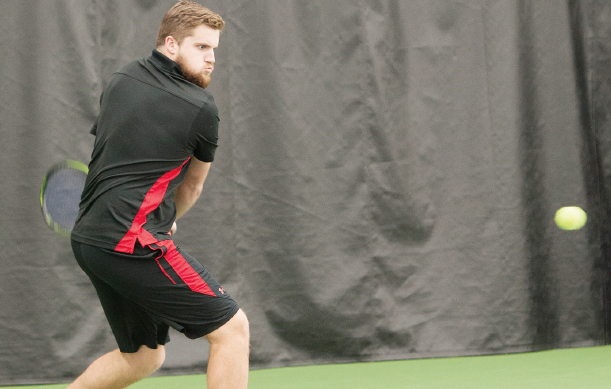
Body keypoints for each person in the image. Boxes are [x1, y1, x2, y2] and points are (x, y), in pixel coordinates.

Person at [67, 2, 249, 388]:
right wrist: (167, 219)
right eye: (201, 47)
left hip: (88, 239)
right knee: (232, 329)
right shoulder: (201, 108)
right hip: (130, 242)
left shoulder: (122, 77)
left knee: (144, 356)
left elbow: (119, 155)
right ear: (170, 44)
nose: (211, 59)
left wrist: (159, 215)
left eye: (214, 49)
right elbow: (192, 186)